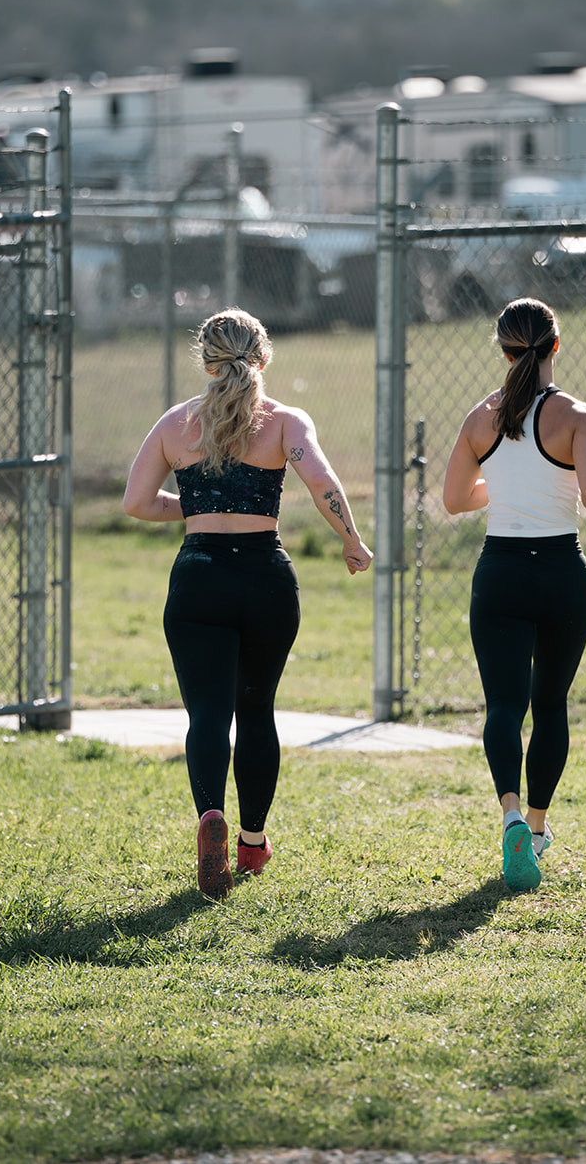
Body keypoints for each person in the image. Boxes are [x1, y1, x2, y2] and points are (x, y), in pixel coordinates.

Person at [124, 308, 373, 899]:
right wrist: (351, 540)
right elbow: (323, 483)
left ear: (206, 361)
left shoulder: (176, 423)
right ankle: (252, 842)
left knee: (208, 715)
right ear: (263, 357)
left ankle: (210, 815)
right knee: (257, 711)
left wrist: (197, 507)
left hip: (199, 578)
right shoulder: (285, 421)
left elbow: (137, 502)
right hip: (265, 579)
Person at [441, 298, 586, 890]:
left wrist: (505, 482)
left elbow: (455, 500)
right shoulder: (578, 415)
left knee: (503, 706)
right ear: (555, 346)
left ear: (504, 350)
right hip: (562, 573)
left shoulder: (480, 418)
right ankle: (536, 831)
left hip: (501, 574)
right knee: (551, 705)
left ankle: (510, 814)